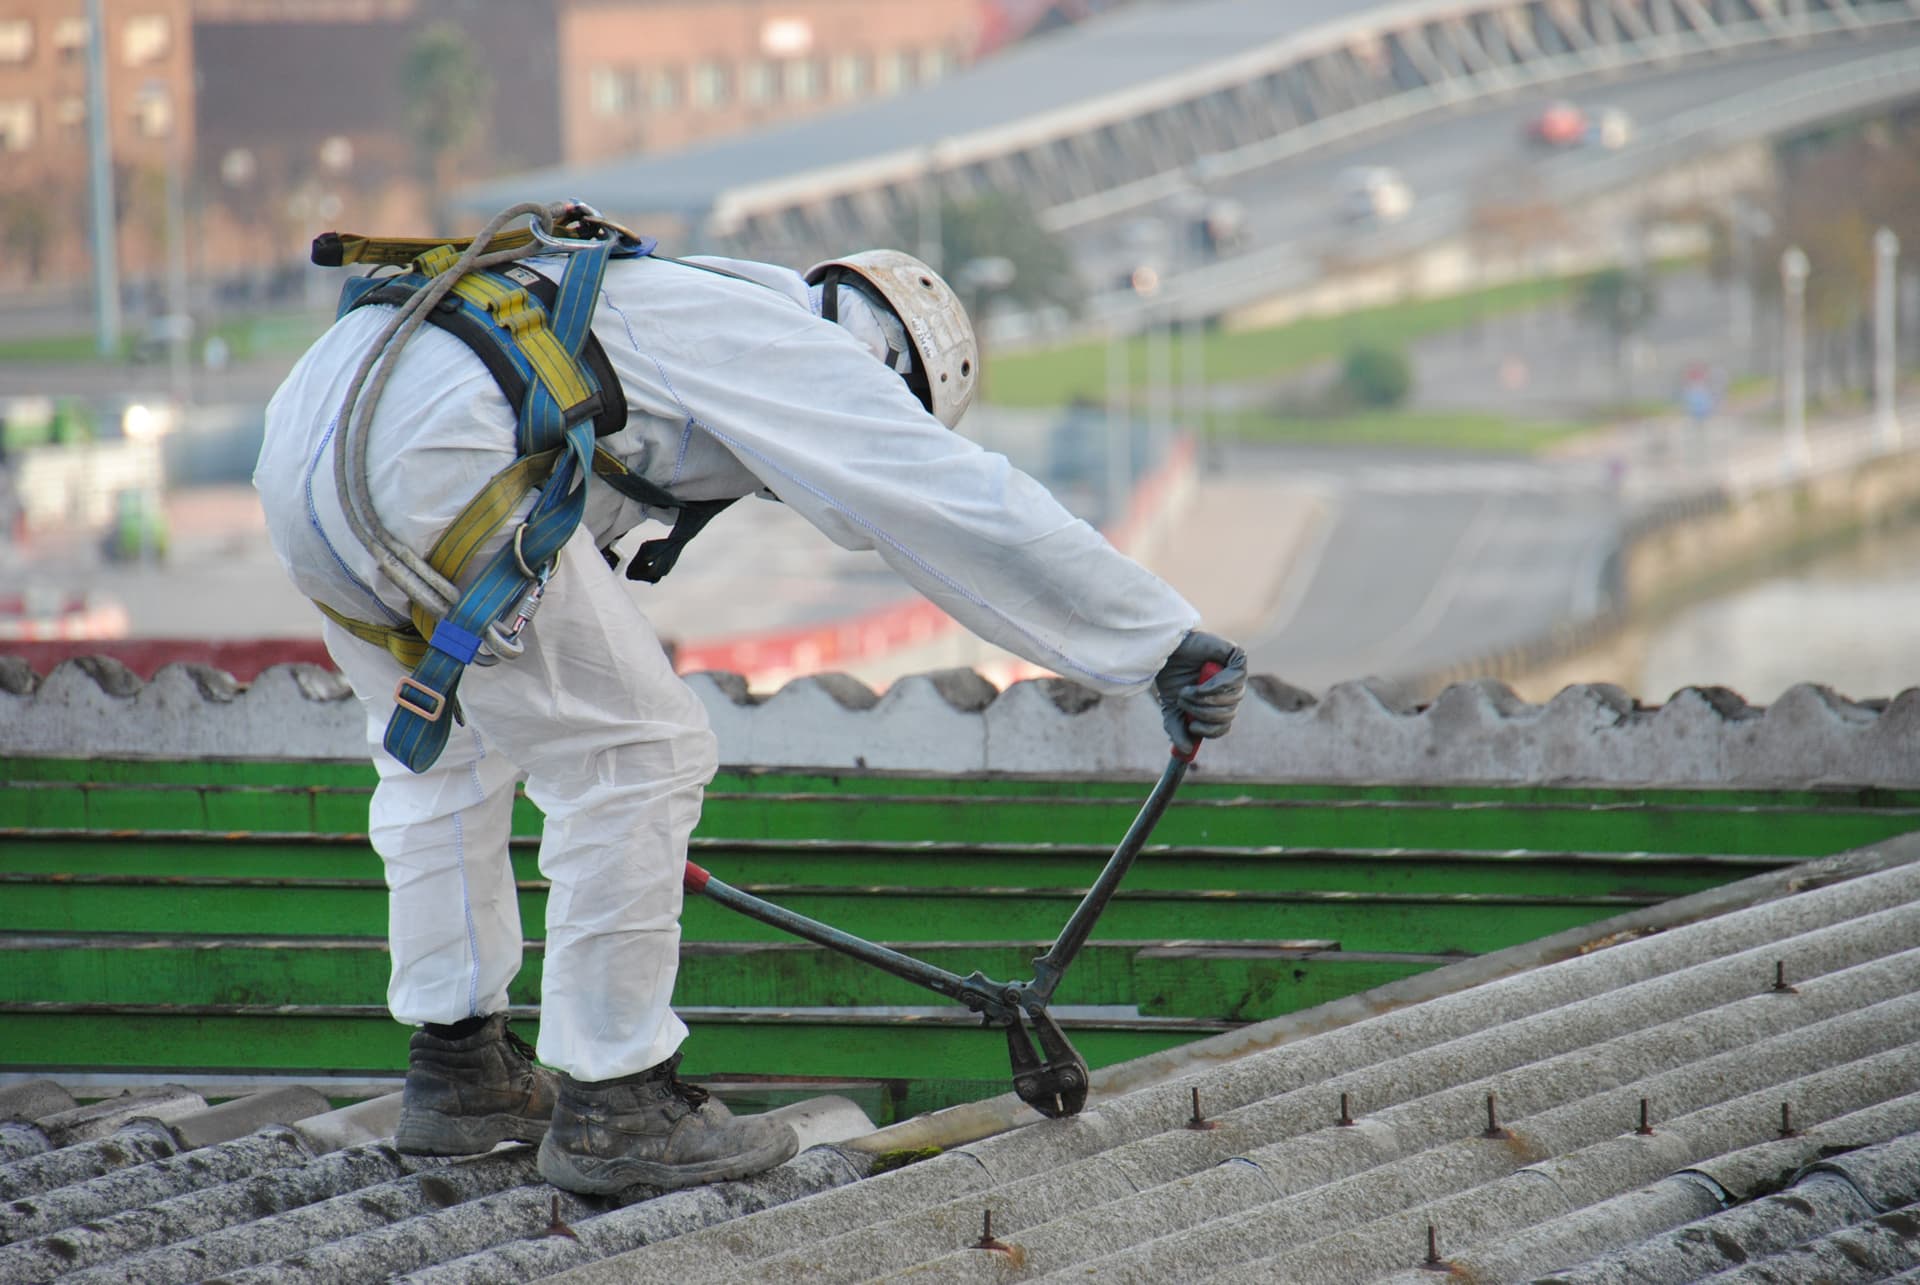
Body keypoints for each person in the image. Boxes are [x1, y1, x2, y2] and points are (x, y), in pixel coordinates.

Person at [252, 203, 1248, 1196]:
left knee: (447, 751)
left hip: (314, 455)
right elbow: (948, 498)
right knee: (638, 753)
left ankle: (459, 1071)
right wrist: (1158, 641)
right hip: (431, 463)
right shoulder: (796, 348)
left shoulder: (676, 299)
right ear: (887, 364)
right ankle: (615, 1105)